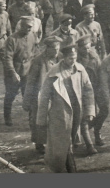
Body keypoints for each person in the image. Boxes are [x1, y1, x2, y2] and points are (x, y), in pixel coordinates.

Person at [36, 40, 95, 173]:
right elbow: (44, 96)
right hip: (59, 113)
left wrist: (90, 110)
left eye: (74, 58)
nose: (72, 61)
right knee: (64, 143)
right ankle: (70, 169)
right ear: (64, 58)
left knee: (72, 140)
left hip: (76, 111)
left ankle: (65, 167)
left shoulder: (80, 70)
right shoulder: (54, 72)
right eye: (69, 58)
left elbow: (88, 90)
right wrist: (41, 118)